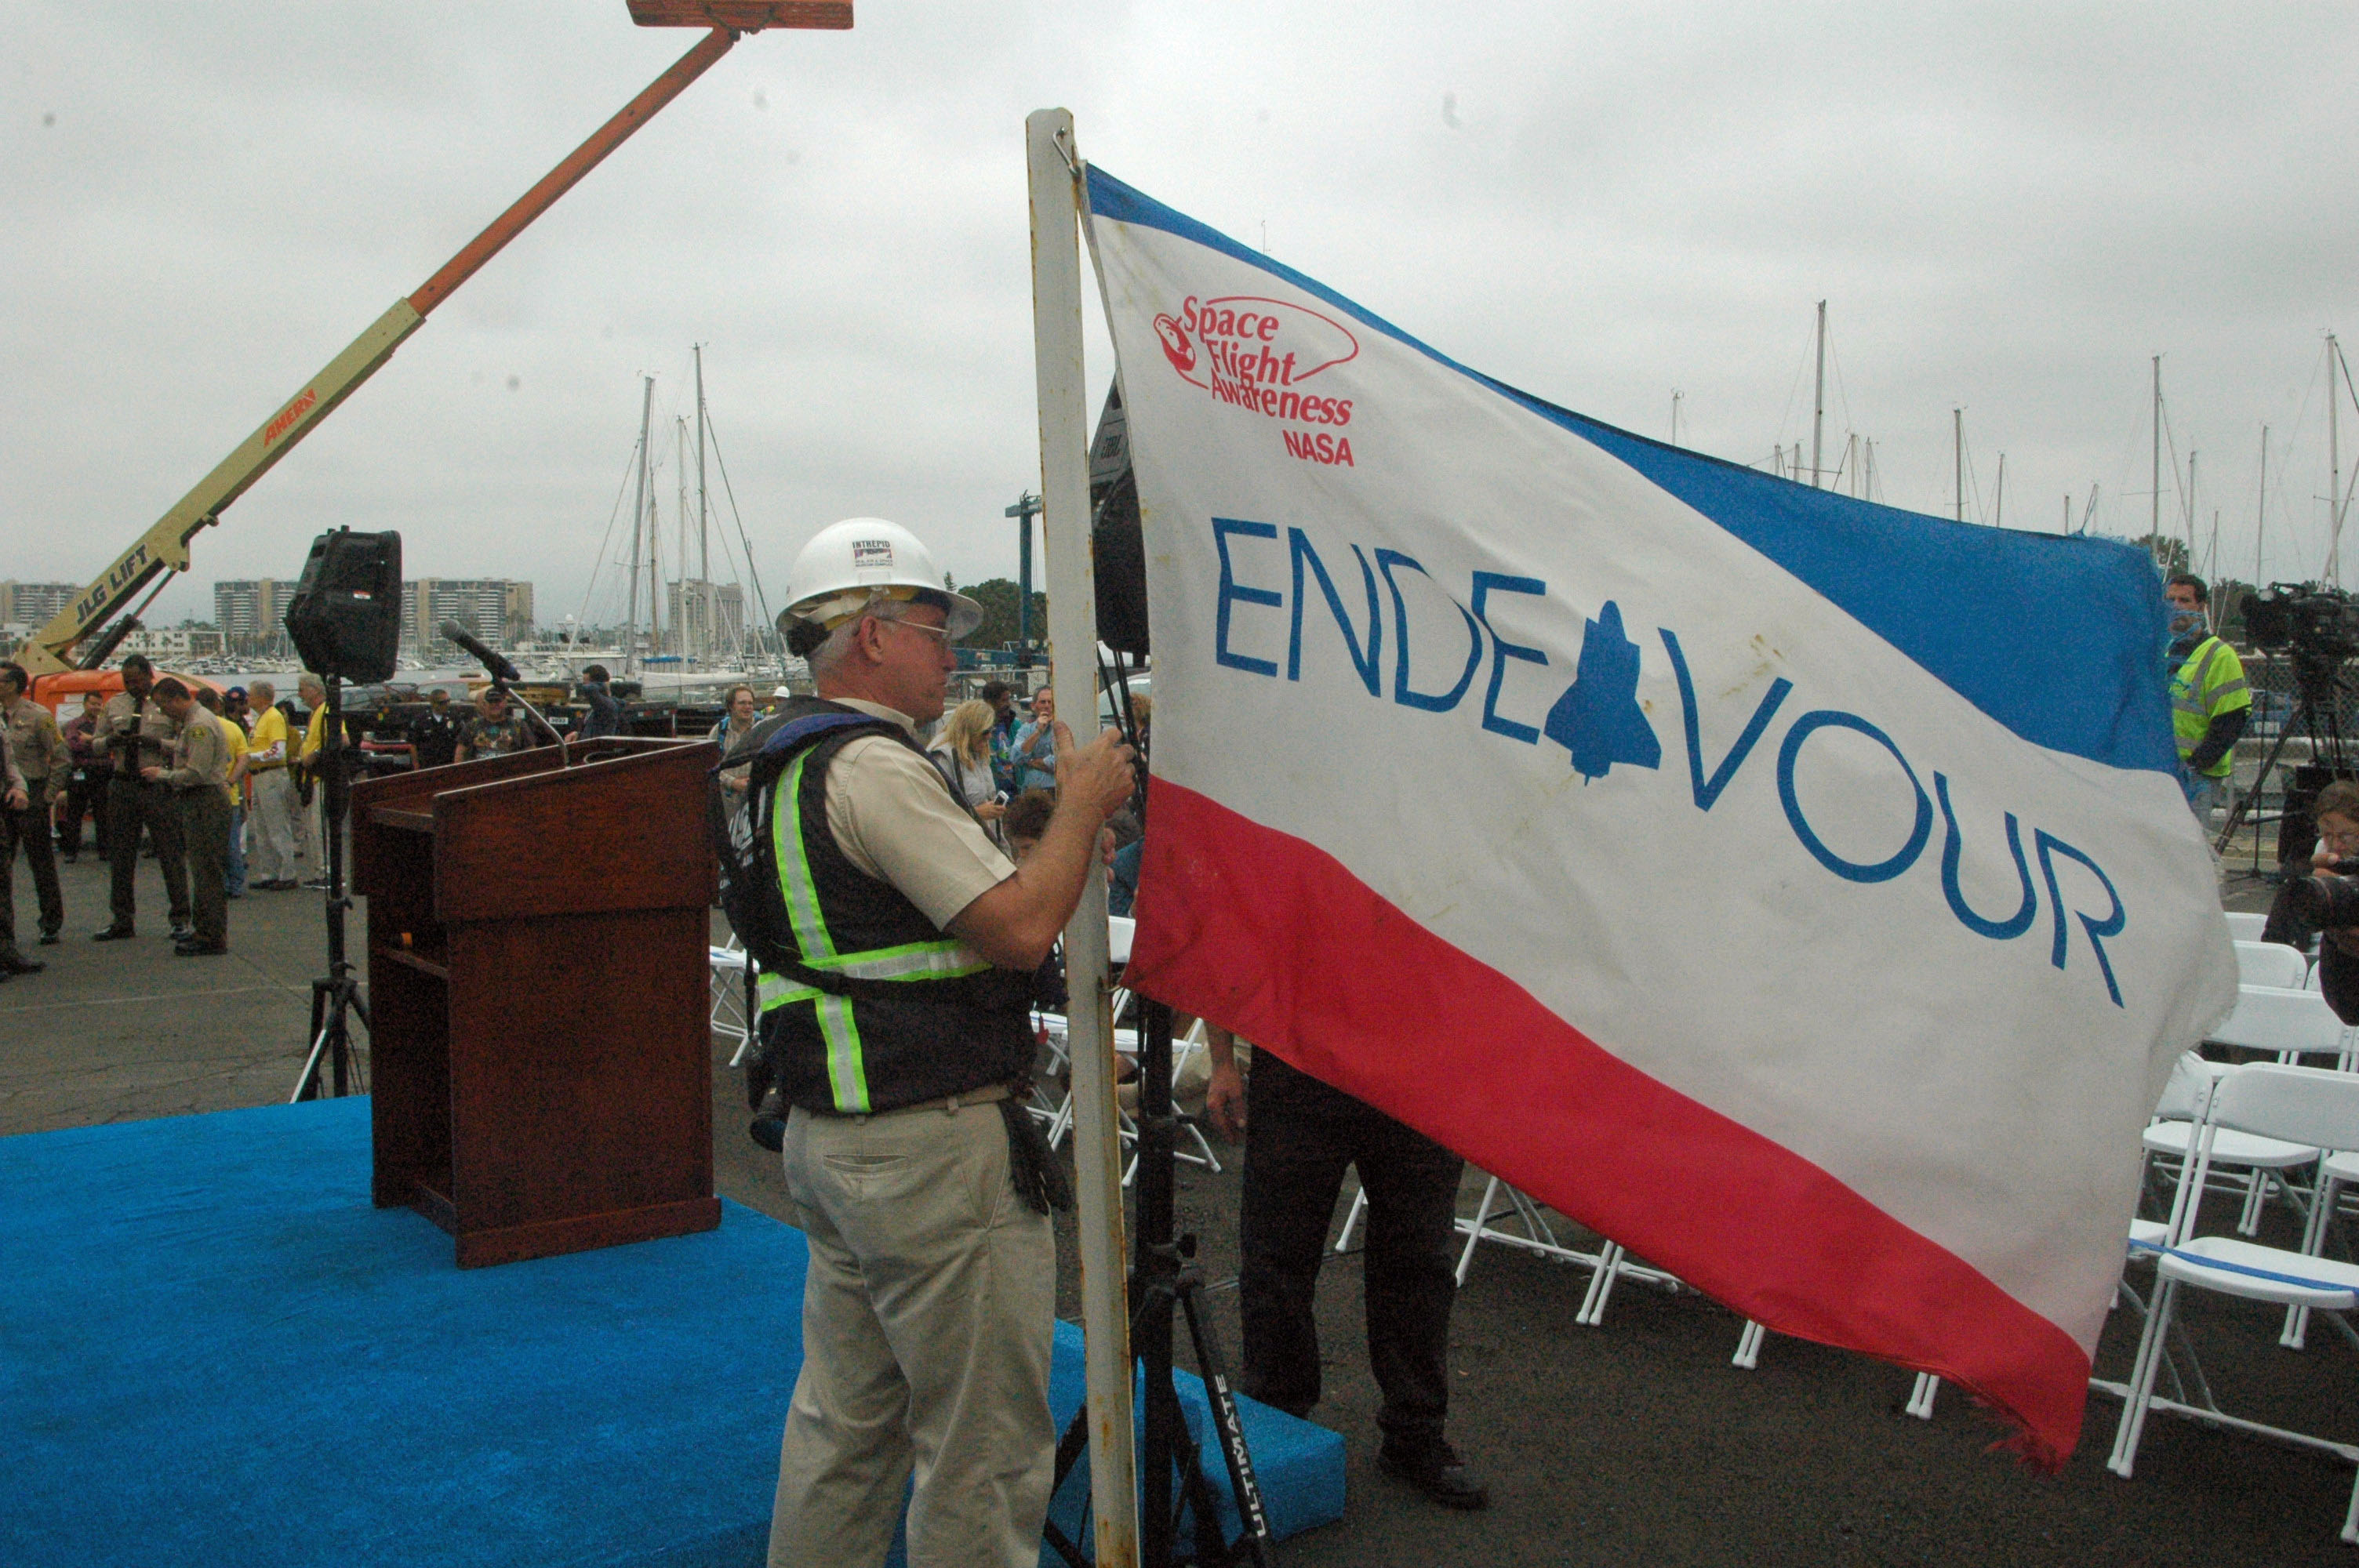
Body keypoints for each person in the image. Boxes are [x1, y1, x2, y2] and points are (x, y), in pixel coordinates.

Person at [752, 517, 1134, 1568]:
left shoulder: (777, 767)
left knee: (846, 1432)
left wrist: (1051, 846)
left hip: (835, 1139)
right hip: (930, 1154)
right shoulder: (873, 768)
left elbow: (874, 920)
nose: (954, 650)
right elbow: (1014, 931)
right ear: (871, 634)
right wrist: (1084, 807)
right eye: (934, 625)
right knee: (980, 1454)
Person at [1203, 1026, 1489, 1511]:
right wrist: (1223, 1061)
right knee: (1277, 1260)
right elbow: (1235, 951)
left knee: (1418, 1263)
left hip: (1419, 1060)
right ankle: (1278, 1429)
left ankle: (1415, 1433)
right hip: (1301, 1055)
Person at [95, 653, 190, 942]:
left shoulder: (166, 703)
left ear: (149, 675)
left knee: (170, 853)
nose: (132, 686)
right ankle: (122, 919)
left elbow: (185, 745)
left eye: (136, 680)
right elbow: (95, 743)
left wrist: (157, 743)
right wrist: (111, 742)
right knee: (121, 855)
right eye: (127, 681)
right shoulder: (115, 705)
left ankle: (181, 918)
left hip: (156, 785)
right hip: (123, 784)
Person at [143, 679, 234, 956]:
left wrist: (164, 775)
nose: (163, 712)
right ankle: (204, 928)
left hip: (205, 798)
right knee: (201, 866)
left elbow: (197, 773)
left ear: (174, 700)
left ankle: (211, 934)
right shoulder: (194, 723)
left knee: (207, 869)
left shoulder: (198, 726)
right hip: (200, 798)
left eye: (162, 706)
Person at [2165, 574, 2250, 827]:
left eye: (2184, 600)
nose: (2176, 606)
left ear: (2201, 607)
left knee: (2189, 849)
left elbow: (2231, 721)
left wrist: (2195, 765)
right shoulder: (2164, 650)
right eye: (2170, 600)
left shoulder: (2219, 655)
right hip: (2162, 771)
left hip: (2196, 777)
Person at [0, 662, 64, 968]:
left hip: (32, 794)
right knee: (4, 869)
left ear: (13, 684)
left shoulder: (38, 716)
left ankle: (50, 921)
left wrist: (48, 796)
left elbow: (62, 757)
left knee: (41, 861)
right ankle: (5, 937)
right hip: (5, 796)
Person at [242, 680, 302, 890]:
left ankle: (287, 874)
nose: (247, 698)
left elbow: (279, 751)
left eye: (250, 695)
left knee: (277, 825)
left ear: (261, 697)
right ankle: (270, 872)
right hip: (260, 775)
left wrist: (250, 756)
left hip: (271, 774)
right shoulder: (262, 718)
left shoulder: (273, 717)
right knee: (262, 826)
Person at [928, 697, 1009, 848]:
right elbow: (933, 814)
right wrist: (976, 813)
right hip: (961, 846)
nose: (989, 737)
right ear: (971, 730)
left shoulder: (979, 753)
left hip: (988, 842)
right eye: (985, 732)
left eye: (991, 730)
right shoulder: (943, 758)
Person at [193, 687, 249, 899]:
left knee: (207, 845)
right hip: (229, 792)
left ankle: (219, 882)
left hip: (204, 792)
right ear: (217, 705)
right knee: (231, 842)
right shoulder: (232, 728)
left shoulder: (196, 727)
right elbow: (244, 758)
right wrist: (231, 780)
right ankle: (235, 882)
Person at [57, 691, 109, 863]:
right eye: (92, 703)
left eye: (98, 704)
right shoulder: (74, 724)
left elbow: (111, 745)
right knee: (75, 813)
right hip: (80, 773)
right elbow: (74, 744)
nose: (95, 707)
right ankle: (71, 852)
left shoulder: (105, 724)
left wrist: (91, 740)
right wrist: (98, 742)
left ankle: (105, 851)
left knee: (103, 814)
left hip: (102, 773)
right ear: (85, 704)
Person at [454, 684, 533, 762]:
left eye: (498, 701)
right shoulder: (472, 726)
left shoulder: (519, 725)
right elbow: (460, 754)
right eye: (491, 701)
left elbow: (532, 753)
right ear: (484, 704)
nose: (494, 705)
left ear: (505, 703)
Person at [1012, 686, 1058, 793]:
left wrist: (1030, 762)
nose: (1047, 706)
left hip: (1056, 791)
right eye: (1043, 702)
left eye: (1050, 702)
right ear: (1033, 706)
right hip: (1032, 792)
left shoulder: (1060, 729)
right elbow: (1015, 758)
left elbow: (1059, 762)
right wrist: (1038, 731)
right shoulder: (1026, 729)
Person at [979, 678, 1021, 796]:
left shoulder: (1015, 725)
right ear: (989, 703)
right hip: (994, 792)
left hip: (1016, 792)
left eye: (1009, 699)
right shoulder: (979, 730)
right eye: (1004, 700)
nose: (1008, 704)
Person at [407, 688, 466, 770]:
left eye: (448, 701)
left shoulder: (454, 718)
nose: (447, 704)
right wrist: (416, 765)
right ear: (433, 703)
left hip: (449, 763)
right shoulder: (421, 720)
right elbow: (413, 744)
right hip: (428, 764)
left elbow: (462, 742)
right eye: (443, 702)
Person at [577, 663, 624, 740]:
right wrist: (578, 735)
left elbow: (589, 689)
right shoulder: (596, 706)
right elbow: (593, 731)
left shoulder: (606, 705)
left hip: (598, 749)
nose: (583, 685)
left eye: (585, 682)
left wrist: (602, 685)